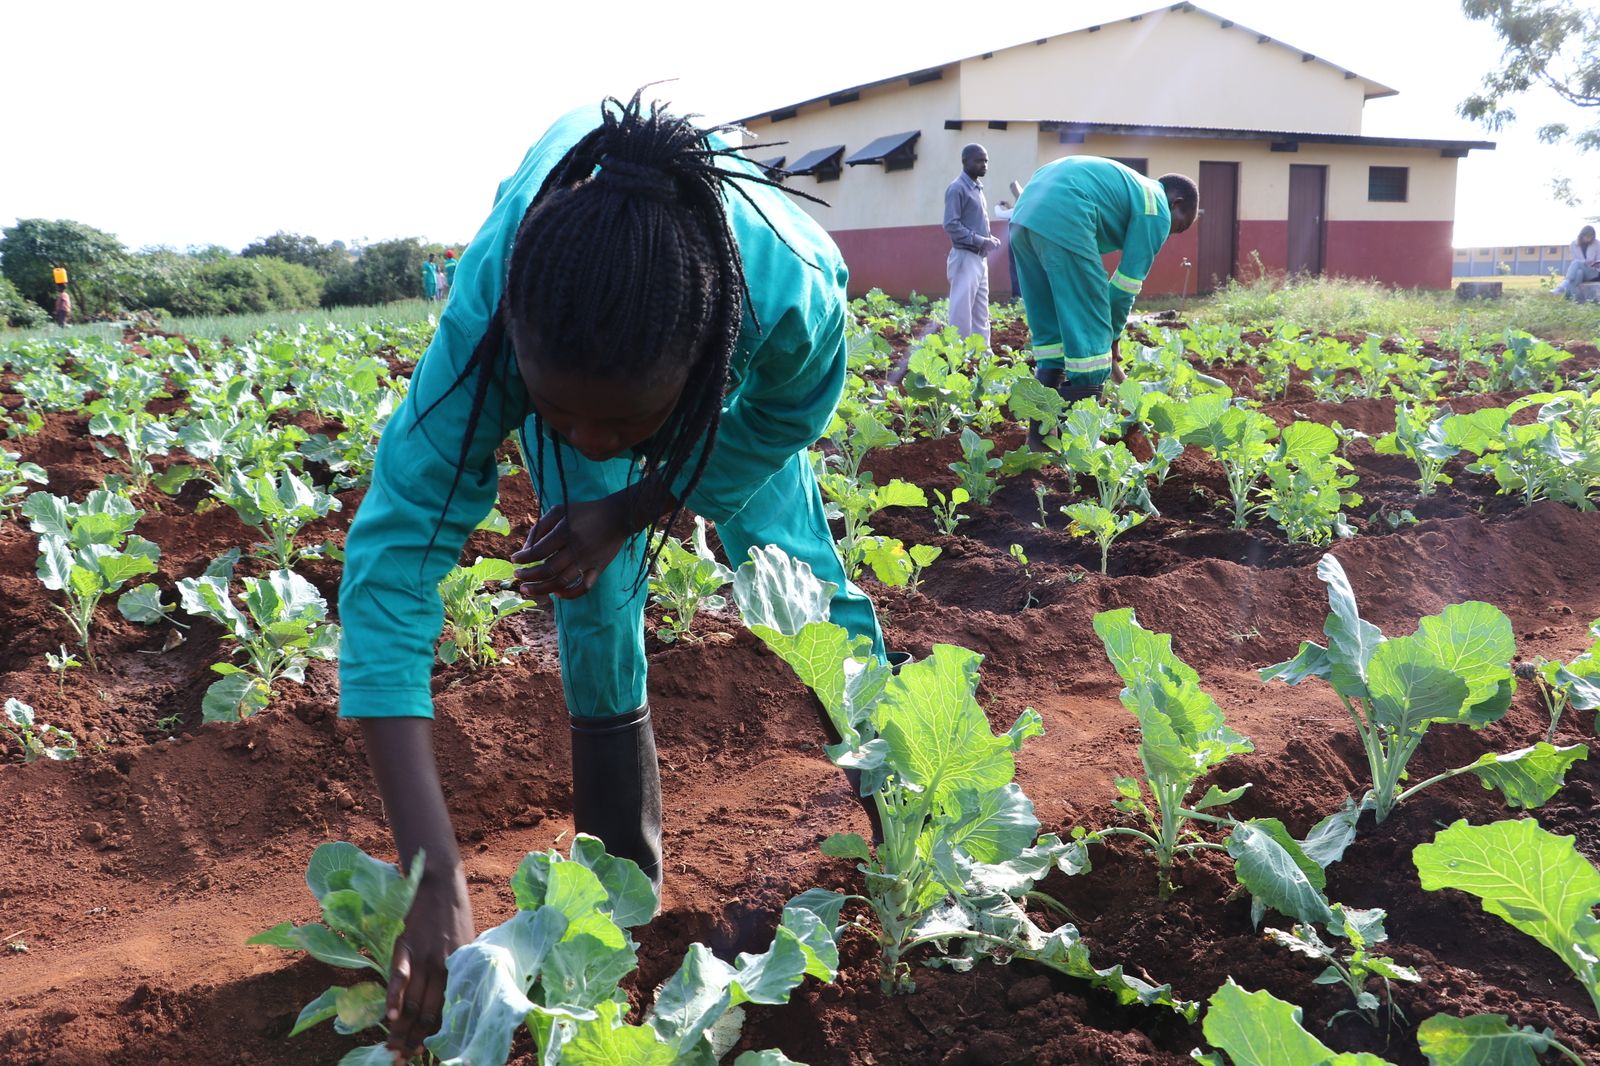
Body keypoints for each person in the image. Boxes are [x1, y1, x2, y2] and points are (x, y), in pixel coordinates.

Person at [338, 92, 889, 1060]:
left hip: (715, 340)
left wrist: (638, 502)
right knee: (584, 584)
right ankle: (622, 883)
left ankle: (907, 810)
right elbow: (392, 563)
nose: (591, 448)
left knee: (794, 569)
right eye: (559, 417)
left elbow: (781, 421)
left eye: (621, 428)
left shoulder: (785, 293)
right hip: (587, 334)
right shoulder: (495, 327)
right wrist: (433, 872)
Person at [1009, 156, 1197, 450]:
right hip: (1065, 214)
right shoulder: (1157, 207)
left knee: (1051, 336)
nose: (1168, 235)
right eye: (1177, 227)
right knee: (1090, 332)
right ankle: (1080, 447)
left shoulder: (1133, 188)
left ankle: (1041, 442)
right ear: (1176, 202)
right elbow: (1124, 287)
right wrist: (1111, 338)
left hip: (1024, 218)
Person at [943, 143, 1001, 344]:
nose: (984, 164)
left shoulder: (977, 188)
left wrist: (988, 240)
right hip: (965, 257)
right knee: (961, 314)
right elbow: (951, 225)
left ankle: (983, 356)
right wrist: (982, 240)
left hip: (979, 258)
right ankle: (958, 359)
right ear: (965, 162)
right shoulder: (957, 188)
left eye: (986, 160)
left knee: (981, 313)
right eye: (979, 160)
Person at [1555, 225, 1600, 301]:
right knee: (1579, 272)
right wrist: (1584, 262)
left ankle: (1564, 285)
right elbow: (1574, 260)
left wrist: (1594, 263)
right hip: (1581, 269)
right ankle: (1574, 299)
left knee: (1576, 263)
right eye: (1587, 236)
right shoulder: (1573, 245)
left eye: (1591, 236)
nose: (1589, 238)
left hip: (1594, 272)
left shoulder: (1597, 244)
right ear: (1582, 235)